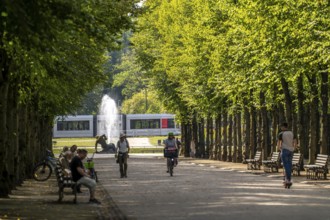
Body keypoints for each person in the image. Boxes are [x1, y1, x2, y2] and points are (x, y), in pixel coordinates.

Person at [277, 122, 297, 187]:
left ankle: (288, 179)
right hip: (291, 151)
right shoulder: (292, 133)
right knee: (289, 164)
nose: (280, 128)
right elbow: (295, 141)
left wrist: (279, 148)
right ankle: (287, 179)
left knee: (286, 165)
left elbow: (279, 143)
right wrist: (294, 148)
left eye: (281, 126)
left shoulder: (281, 134)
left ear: (283, 127)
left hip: (284, 150)